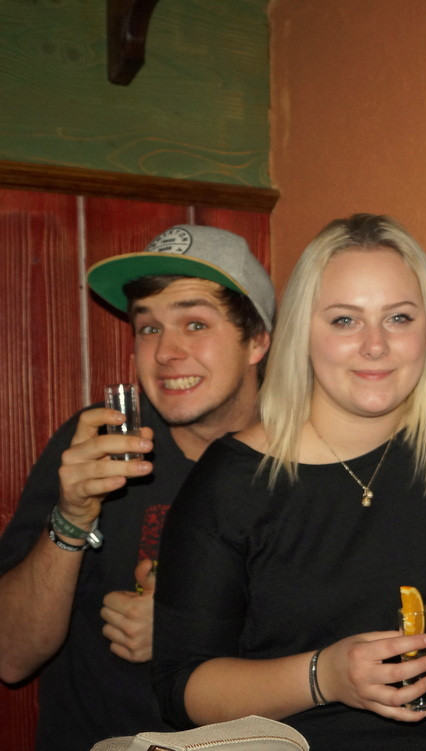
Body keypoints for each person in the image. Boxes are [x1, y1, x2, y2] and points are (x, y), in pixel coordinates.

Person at [152, 213, 426, 750]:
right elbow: (183, 688)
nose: (374, 345)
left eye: (399, 318)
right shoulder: (232, 483)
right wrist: (324, 676)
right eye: (345, 320)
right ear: (302, 333)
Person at [0, 224, 274, 751]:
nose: (165, 351)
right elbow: (11, 658)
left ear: (257, 339)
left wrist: (186, 630)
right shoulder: (97, 445)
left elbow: (346, 643)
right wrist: (72, 518)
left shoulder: (306, 457)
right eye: (148, 328)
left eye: (195, 323)